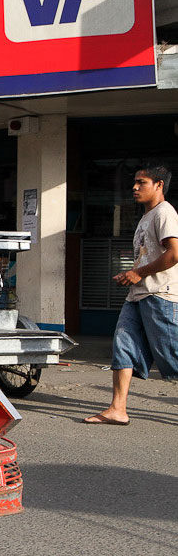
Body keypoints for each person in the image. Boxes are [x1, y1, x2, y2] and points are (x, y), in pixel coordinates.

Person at [85, 163, 178, 425]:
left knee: (172, 354)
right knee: (123, 348)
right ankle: (117, 409)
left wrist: (139, 273)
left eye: (142, 182)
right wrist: (131, 275)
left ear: (159, 185)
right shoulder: (146, 217)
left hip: (160, 294)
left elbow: (174, 254)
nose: (135, 188)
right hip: (138, 296)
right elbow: (149, 255)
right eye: (134, 183)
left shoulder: (164, 213)